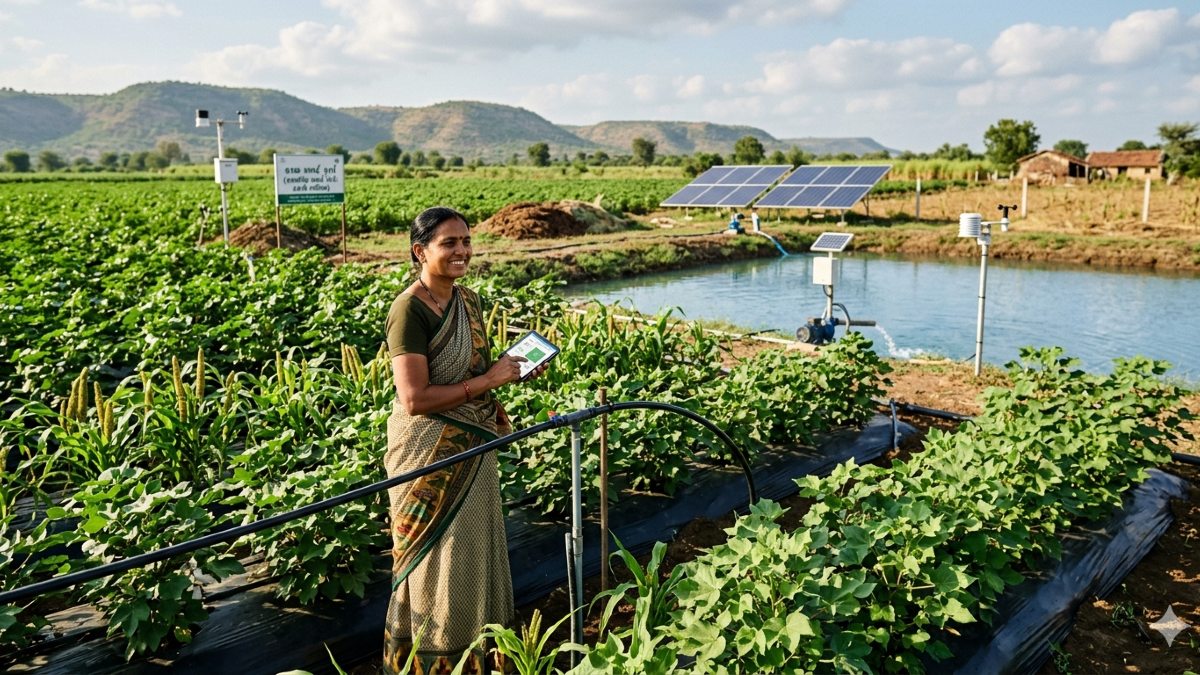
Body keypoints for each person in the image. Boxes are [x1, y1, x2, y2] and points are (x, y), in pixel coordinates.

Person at [382, 205, 543, 674]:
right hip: (427, 453)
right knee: (435, 557)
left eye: (467, 241)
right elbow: (414, 398)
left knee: (474, 548)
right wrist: (488, 381)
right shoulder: (408, 310)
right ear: (420, 251)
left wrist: (510, 371)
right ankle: (432, 659)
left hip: (474, 446)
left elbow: (473, 371)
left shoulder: (467, 301)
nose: (462, 251)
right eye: (449, 243)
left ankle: (481, 655)